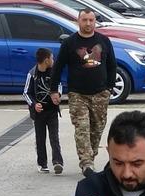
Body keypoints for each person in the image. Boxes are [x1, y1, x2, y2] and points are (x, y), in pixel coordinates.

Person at [49, 8, 116, 177]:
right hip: (77, 94)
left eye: (91, 20)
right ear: (78, 21)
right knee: (82, 128)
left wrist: (109, 88)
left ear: (95, 22)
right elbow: (58, 68)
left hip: (100, 93)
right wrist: (53, 90)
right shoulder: (69, 43)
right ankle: (86, 163)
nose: (88, 23)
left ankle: (90, 156)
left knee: (97, 128)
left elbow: (112, 65)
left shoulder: (104, 41)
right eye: (84, 20)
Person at [24, 48, 64, 175]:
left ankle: (57, 162)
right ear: (46, 60)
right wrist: (34, 104)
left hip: (52, 111)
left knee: (54, 137)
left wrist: (58, 95)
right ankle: (42, 164)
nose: (53, 60)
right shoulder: (32, 74)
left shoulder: (53, 72)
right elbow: (26, 93)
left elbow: (59, 85)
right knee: (40, 138)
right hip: (39, 114)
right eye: (52, 58)